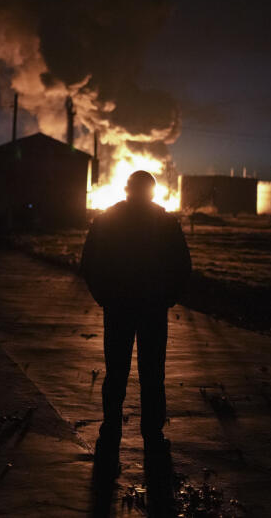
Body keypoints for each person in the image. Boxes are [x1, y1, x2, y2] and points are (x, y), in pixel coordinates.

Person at [80, 170, 191, 477]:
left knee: (116, 372)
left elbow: (89, 262)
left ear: (126, 189)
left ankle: (110, 431)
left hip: (118, 308)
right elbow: (183, 266)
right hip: (152, 309)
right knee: (152, 374)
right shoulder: (165, 223)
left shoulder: (107, 220)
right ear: (153, 192)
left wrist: (104, 296)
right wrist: (167, 297)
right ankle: (153, 436)